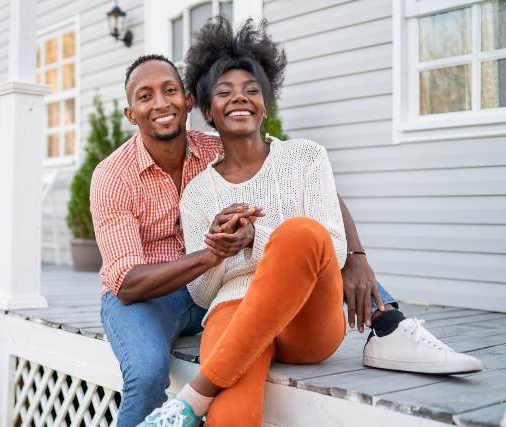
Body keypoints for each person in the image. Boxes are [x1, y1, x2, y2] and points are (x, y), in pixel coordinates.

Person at [136, 17, 482, 427]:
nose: (239, 99)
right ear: (208, 109)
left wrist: (255, 238)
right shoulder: (197, 192)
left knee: (300, 231)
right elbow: (200, 294)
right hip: (234, 308)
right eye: (224, 93)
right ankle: (205, 402)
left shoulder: (306, 158)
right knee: (232, 413)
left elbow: (330, 247)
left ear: (267, 102)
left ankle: (193, 397)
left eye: (252, 90)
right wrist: (216, 252)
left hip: (307, 321)